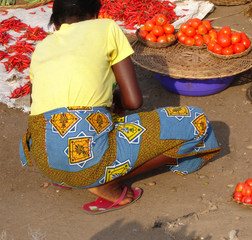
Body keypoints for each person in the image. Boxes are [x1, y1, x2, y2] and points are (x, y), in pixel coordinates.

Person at [19, 0, 220, 214]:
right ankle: (105, 183)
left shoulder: (42, 47)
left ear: (56, 23)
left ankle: (72, 176)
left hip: (47, 160)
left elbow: (38, 111)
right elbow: (134, 101)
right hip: (87, 163)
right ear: (95, 13)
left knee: (90, 123)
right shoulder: (105, 28)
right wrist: (118, 99)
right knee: (195, 121)